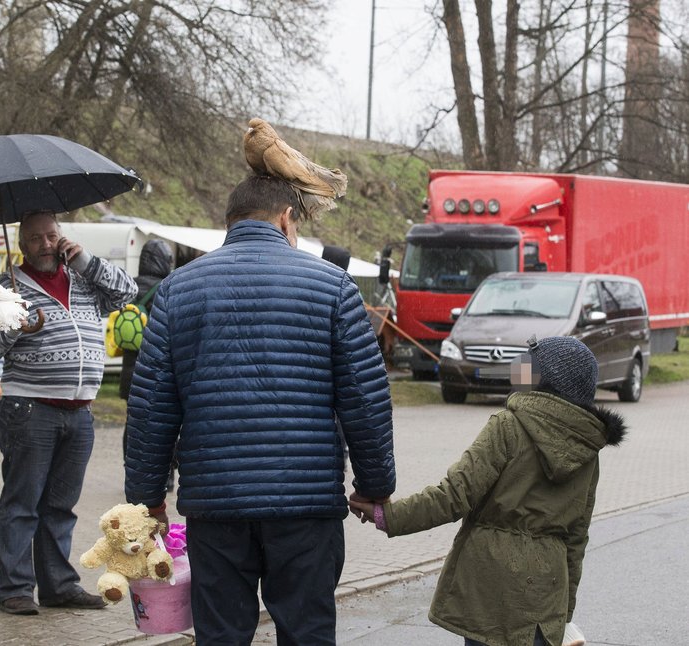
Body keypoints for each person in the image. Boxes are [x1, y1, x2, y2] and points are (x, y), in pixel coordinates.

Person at [124, 173, 396, 645]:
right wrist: (375, 487)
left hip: (215, 506)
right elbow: (366, 399)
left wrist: (147, 499)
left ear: (230, 223)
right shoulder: (334, 288)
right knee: (306, 632)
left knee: (222, 635)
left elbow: (151, 409)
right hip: (306, 504)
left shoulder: (177, 290)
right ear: (288, 219)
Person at [350, 336, 625, 646]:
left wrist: (386, 515)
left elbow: (454, 495)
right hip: (547, 597)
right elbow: (577, 537)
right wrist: (565, 611)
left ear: (546, 379)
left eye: (528, 366)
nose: (518, 372)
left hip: (491, 589)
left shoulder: (508, 425)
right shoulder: (587, 446)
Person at [0, 211, 137, 615]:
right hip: (29, 409)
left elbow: (127, 292)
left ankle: (59, 586)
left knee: (61, 506)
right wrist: (14, 324)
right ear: (22, 244)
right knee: (22, 504)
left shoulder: (83, 279)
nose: (45, 244)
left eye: (51, 236)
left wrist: (85, 260)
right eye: (35, 238)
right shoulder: (5, 288)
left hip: (80, 411)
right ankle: (14, 590)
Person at [118, 238, 174, 464]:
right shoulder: (166, 288)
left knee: (132, 422)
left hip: (130, 367)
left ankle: (129, 466)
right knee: (163, 422)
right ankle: (166, 475)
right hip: (158, 366)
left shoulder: (129, 286)